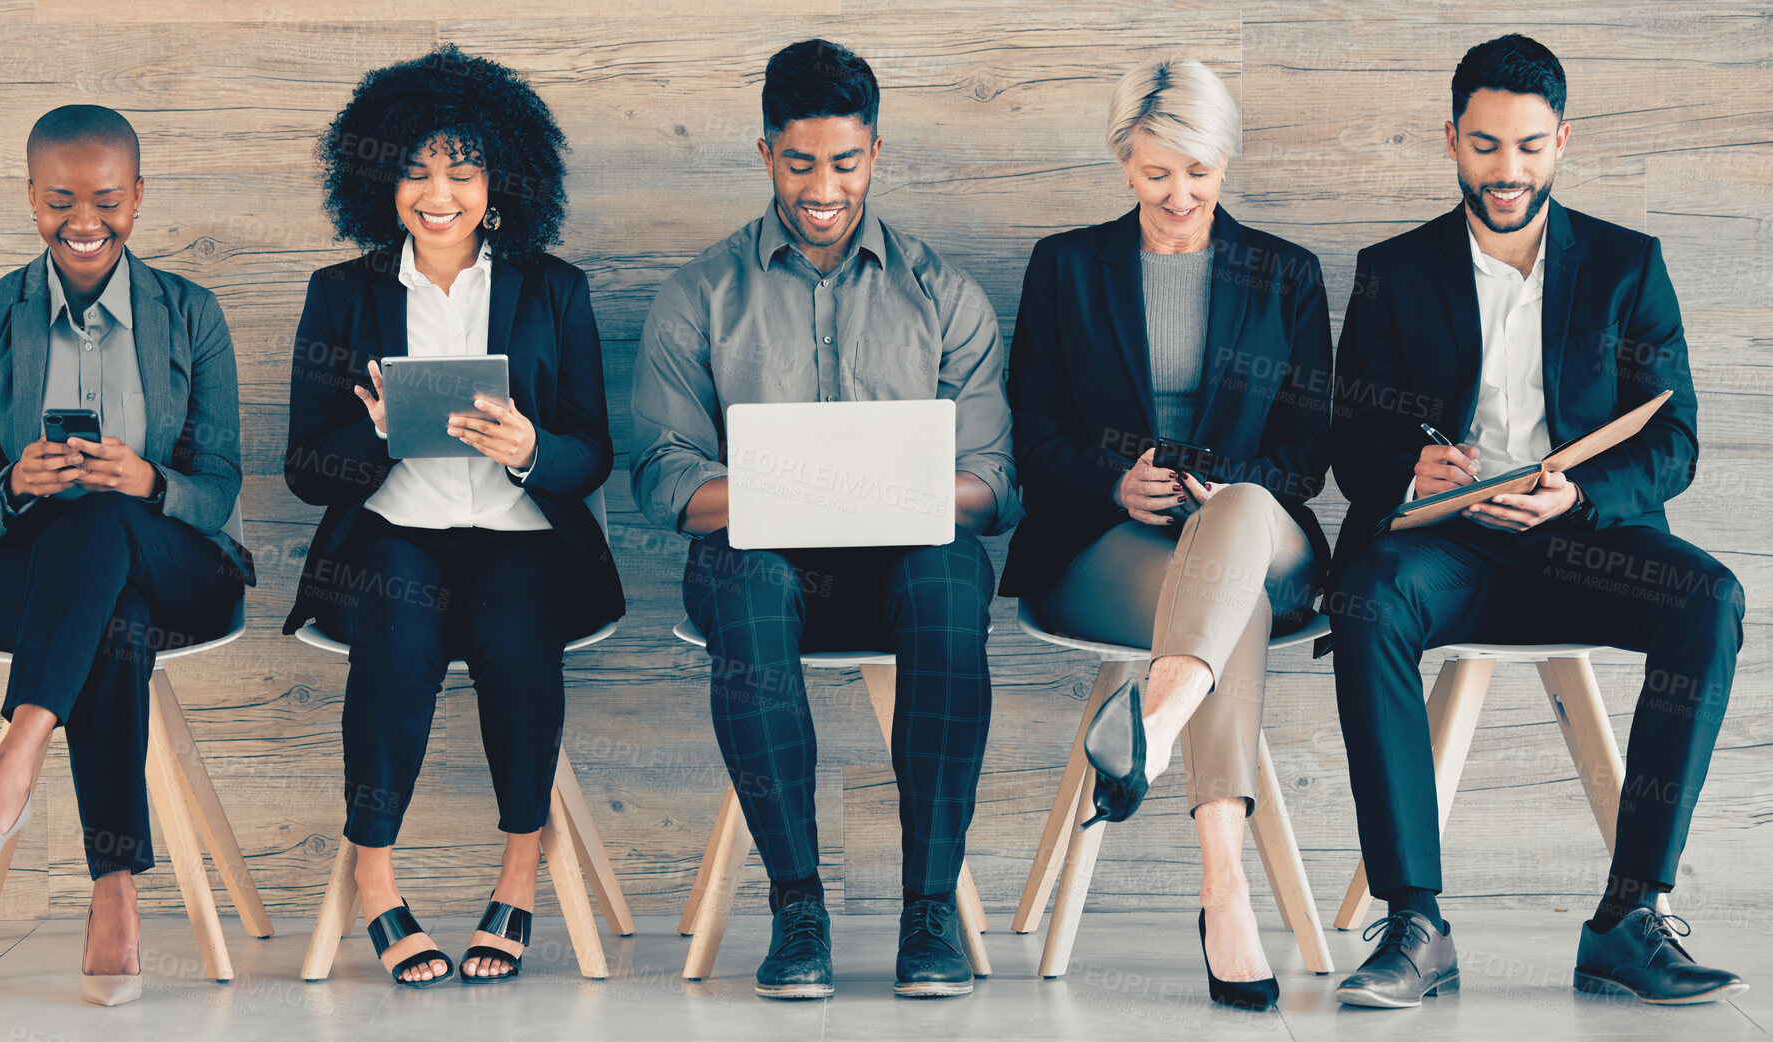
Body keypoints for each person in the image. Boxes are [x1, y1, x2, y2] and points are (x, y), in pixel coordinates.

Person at [1328, 34, 1746, 1008]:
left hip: (1583, 538)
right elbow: (1348, 441)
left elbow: (1675, 439)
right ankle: (1414, 922)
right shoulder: (1391, 270)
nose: (1505, 170)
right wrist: (1409, 469)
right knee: (1362, 602)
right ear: (1450, 141)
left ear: (1560, 142)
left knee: (1710, 600)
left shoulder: (1626, 266)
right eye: (1483, 145)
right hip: (1444, 547)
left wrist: (1582, 495)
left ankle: (1630, 917)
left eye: (1526, 146)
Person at [631, 39, 1018, 1001]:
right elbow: (663, 479)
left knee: (948, 576)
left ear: (876, 154)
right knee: (748, 583)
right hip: (762, 559)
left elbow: (994, 482)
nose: (822, 186)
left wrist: (893, 491)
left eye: (844, 162)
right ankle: (797, 903)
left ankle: (928, 908)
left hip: (905, 558)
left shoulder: (944, 295)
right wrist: (794, 492)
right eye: (799, 161)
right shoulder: (697, 296)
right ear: (766, 155)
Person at [284, 44, 623, 988]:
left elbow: (593, 451)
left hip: (518, 534)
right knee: (395, 639)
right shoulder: (340, 294)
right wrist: (380, 439)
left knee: (519, 642)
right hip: (394, 533)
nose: (438, 193)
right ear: (379, 181)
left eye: (462, 171)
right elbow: (304, 470)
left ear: (499, 180)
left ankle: (519, 876)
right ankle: (378, 881)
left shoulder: (553, 289)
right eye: (415, 170)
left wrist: (529, 452)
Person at [1000, 58, 1331, 1010]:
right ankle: (1223, 890)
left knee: (1237, 528)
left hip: (1265, 530)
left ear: (1227, 161)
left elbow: (1311, 451)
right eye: (1157, 174)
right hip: (1113, 547)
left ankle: (1147, 728)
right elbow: (1034, 434)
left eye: (1201, 171)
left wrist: (1228, 489)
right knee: (1232, 619)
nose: (1181, 196)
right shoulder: (1067, 266)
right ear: (1123, 163)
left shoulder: (1288, 273)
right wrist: (1115, 481)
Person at [0, 105, 254, 1007]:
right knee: (111, 611)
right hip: (26, 576)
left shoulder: (190, 312)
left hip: (168, 554)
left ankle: (16, 757)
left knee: (106, 525)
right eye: (58, 200)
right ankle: (116, 892)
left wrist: (149, 482)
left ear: (138, 198)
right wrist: (16, 486)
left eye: (107, 199)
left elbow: (221, 486)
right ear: (30, 198)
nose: (84, 220)